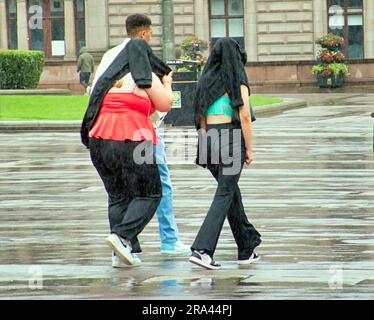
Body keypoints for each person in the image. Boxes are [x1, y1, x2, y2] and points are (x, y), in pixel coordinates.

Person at [89, 14, 189, 267]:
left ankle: (122, 254)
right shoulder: (144, 66)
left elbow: (94, 94)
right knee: (153, 191)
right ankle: (126, 238)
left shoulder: (110, 60)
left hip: (100, 137)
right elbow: (165, 103)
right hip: (137, 136)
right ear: (145, 35)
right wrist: (167, 83)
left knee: (118, 196)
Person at [189, 38, 262, 270]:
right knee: (224, 194)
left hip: (208, 139)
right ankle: (202, 249)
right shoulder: (237, 79)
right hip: (230, 139)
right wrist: (249, 148)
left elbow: (200, 119)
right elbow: (245, 117)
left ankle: (246, 246)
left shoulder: (205, 80)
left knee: (231, 194)